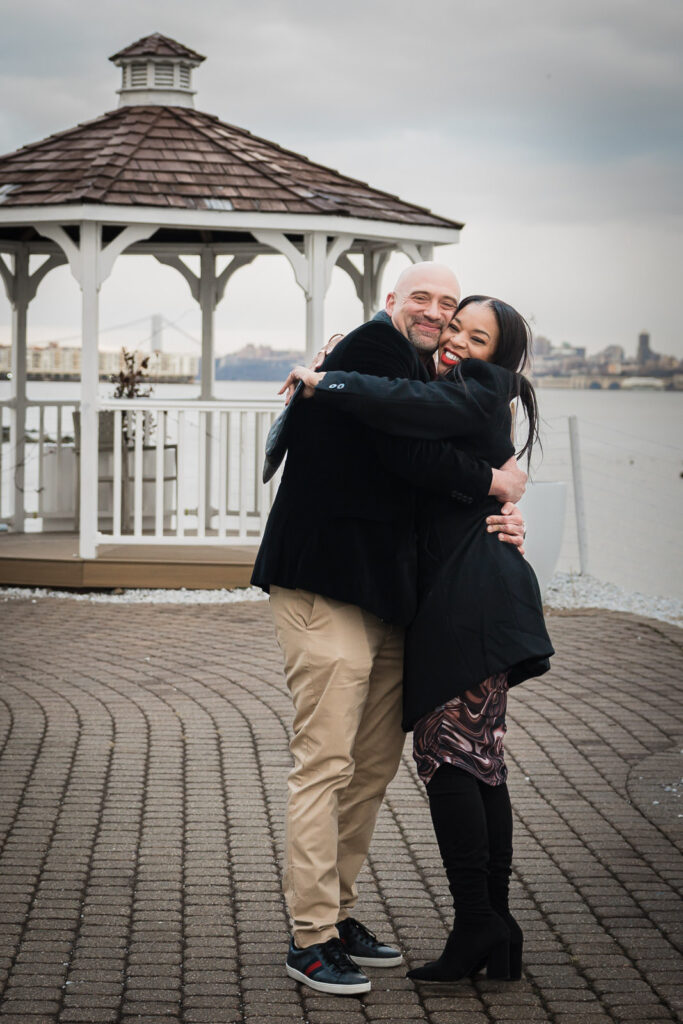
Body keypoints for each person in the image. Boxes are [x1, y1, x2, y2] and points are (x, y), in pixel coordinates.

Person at [251, 263, 528, 995]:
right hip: (324, 583)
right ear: (391, 303)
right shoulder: (371, 352)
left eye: (450, 305)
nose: (437, 314)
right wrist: (490, 482)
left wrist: (500, 508)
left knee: (369, 767)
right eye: (424, 300)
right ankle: (309, 936)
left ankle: (337, 916)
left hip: (383, 597)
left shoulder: (414, 369)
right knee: (324, 764)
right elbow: (406, 453)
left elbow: (430, 453)